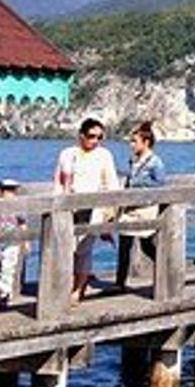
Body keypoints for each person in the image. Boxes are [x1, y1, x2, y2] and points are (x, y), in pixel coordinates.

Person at [53, 118, 118, 301]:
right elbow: (58, 180)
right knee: (66, 248)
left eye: (99, 137)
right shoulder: (67, 154)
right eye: (91, 136)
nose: (95, 141)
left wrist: (109, 210)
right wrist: (57, 204)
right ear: (81, 135)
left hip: (93, 207)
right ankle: (64, 286)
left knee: (84, 250)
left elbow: (111, 183)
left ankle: (78, 290)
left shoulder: (104, 155)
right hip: (68, 208)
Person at [116, 121, 166, 289]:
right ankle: (120, 283)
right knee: (124, 246)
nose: (131, 145)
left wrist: (138, 183)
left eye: (134, 141)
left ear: (146, 142)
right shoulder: (134, 160)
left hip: (145, 208)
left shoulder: (155, 161)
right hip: (129, 208)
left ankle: (165, 271)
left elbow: (160, 183)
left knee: (146, 245)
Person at [0, 179, 27, 307]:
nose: (10, 194)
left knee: (9, 267)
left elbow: (23, 224)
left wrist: (25, 241)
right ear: (0, 191)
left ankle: (5, 294)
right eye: (6, 190)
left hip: (13, 241)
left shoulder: (18, 207)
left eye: (12, 191)